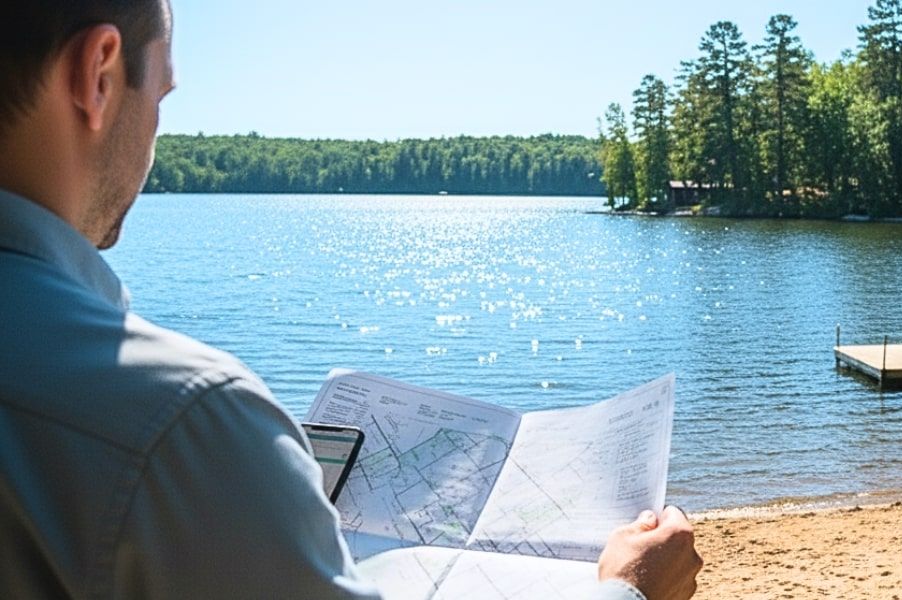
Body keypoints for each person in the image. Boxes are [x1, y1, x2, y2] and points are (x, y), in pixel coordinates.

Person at [0, 1, 703, 598]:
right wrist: (625, 589)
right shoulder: (181, 422)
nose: (156, 133)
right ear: (97, 74)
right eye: (159, 97)